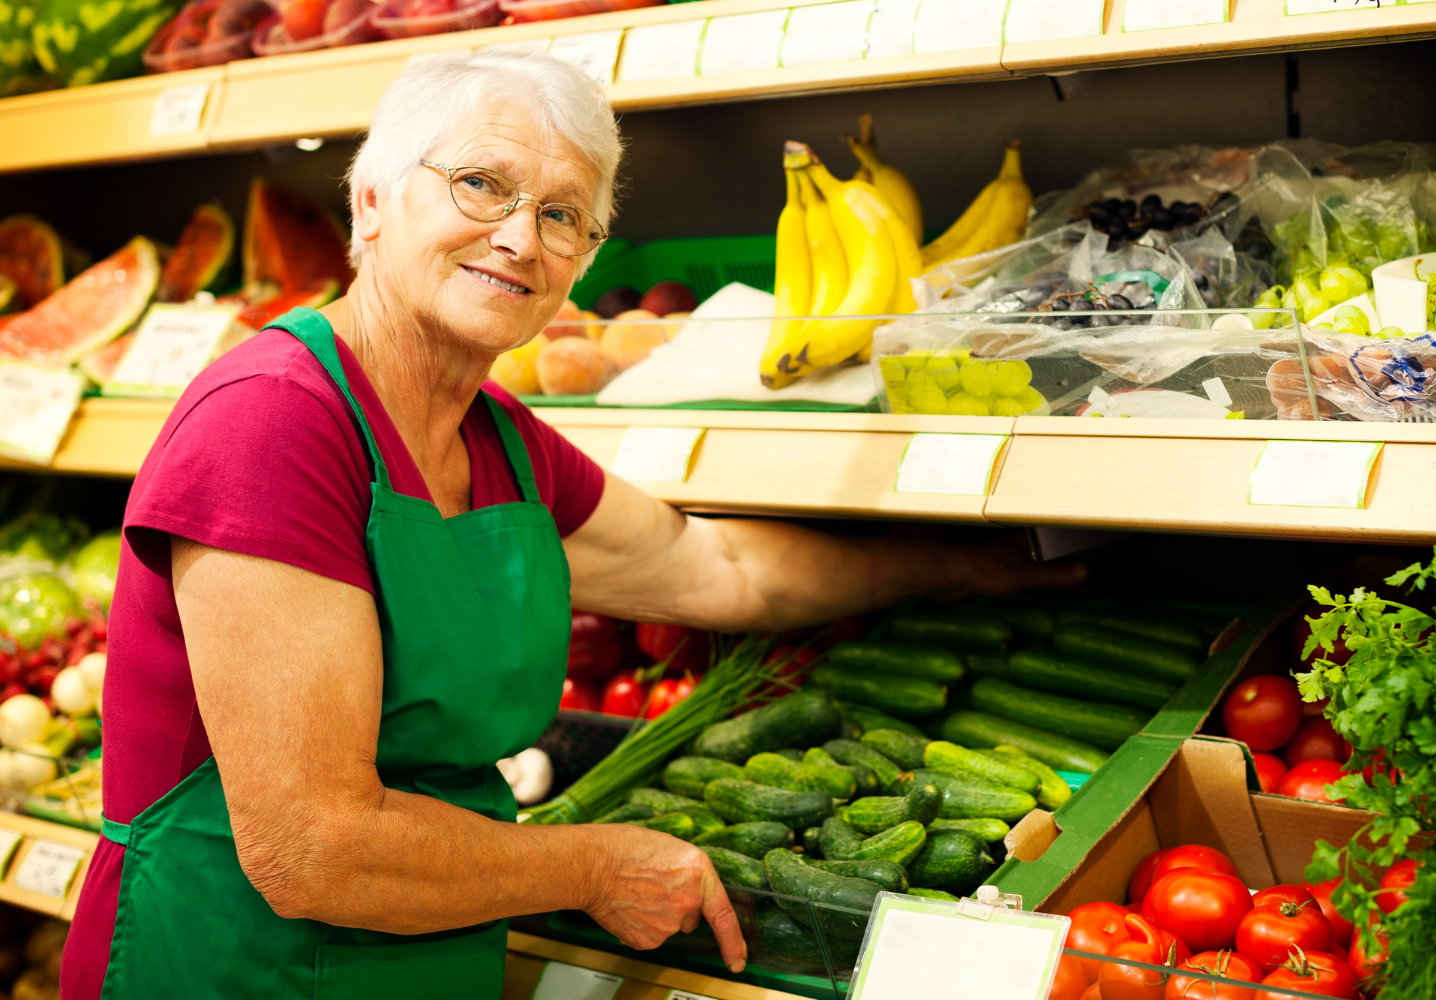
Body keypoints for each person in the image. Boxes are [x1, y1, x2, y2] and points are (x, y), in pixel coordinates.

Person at [59, 50, 1081, 999]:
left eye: (563, 216)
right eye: (481, 187)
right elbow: (311, 846)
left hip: (422, 955)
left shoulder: (497, 438)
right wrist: (593, 862)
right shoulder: (274, 421)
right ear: (370, 202)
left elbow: (712, 565)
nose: (519, 237)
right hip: (230, 964)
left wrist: (963, 567)